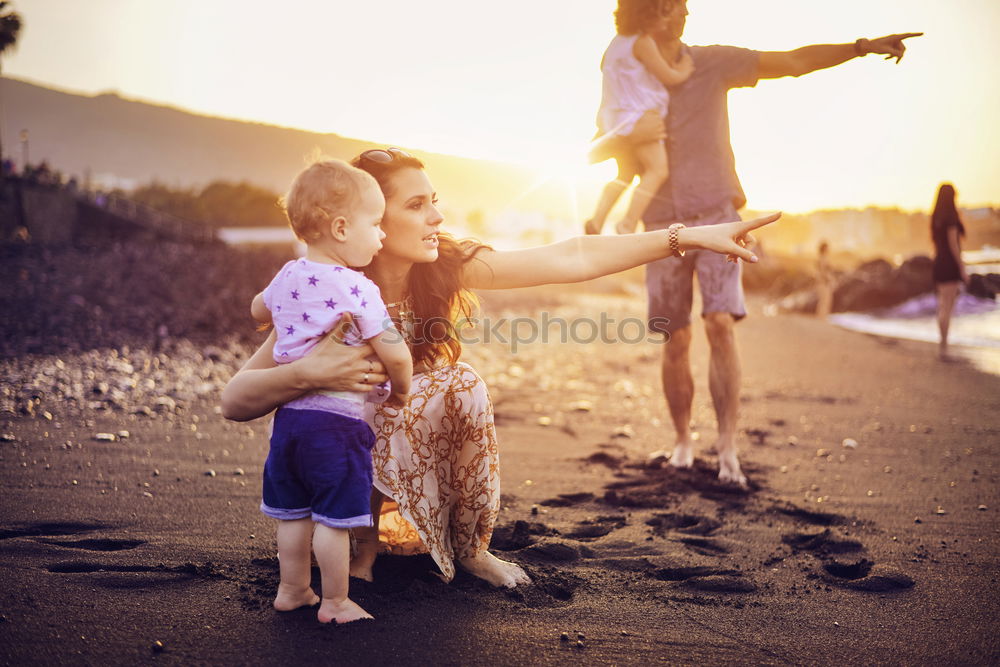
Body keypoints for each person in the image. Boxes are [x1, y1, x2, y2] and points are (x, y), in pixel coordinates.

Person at [221, 147, 779, 589]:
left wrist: (686, 238)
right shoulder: (324, 292)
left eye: (434, 200)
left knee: (459, 386)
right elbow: (236, 400)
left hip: (393, 463)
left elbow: (572, 256)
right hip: (328, 467)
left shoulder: (441, 268)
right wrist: (311, 373)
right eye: (416, 206)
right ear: (368, 222)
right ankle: (354, 543)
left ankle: (470, 549)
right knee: (370, 402)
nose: (436, 216)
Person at [632, 0, 921, 485]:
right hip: (660, 222)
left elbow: (790, 63)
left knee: (720, 324)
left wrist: (860, 47)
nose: (678, 15)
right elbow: (608, 138)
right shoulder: (631, 71)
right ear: (647, 14)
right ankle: (683, 442)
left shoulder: (713, 61)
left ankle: (726, 450)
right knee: (674, 336)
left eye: (682, 7)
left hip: (719, 215)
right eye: (666, 7)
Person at [249, 159, 413, 624]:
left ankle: (292, 590)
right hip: (336, 425)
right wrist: (400, 391)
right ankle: (336, 601)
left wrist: (281, 310)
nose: (381, 235)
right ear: (341, 228)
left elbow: (258, 308)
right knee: (334, 520)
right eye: (376, 224)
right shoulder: (358, 287)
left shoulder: (287, 275)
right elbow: (396, 352)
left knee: (294, 515)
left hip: (289, 422)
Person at [585, 0, 693, 236]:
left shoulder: (614, 45)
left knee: (625, 174)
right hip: (642, 117)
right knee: (657, 170)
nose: (666, 20)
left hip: (616, 119)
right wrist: (684, 68)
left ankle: (596, 219)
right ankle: (628, 223)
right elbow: (669, 76)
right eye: (663, 15)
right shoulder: (642, 43)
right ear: (647, 17)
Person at [930, 183, 968, 360]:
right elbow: (954, 244)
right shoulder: (951, 216)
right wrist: (961, 267)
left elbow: (937, 244)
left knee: (942, 306)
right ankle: (944, 349)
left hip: (938, 263)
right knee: (947, 307)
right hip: (950, 265)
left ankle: (942, 347)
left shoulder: (936, 217)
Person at [815, 240, 834, 318]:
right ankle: (822, 318)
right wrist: (827, 280)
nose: (829, 249)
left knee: (824, 301)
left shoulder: (822, 258)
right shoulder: (823, 258)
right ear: (824, 249)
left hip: (822, 282)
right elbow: (822, 272)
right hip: (823, 282)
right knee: (825, 300)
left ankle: (821, 317)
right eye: (827, 248)